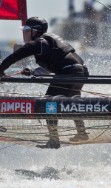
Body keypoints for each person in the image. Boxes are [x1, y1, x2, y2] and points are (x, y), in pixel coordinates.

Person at [0, 17, 90, 149]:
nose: (23, 33)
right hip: (79, 71)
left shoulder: (38, 43)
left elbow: (14, 56)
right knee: (73, 102)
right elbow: (58, 62)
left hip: (68, 73)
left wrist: (1, 70)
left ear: (35, 31)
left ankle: (54, 140)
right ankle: (82, 133)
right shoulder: (49, 40)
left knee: (49, 104)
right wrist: (32, 71)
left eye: (25, 30)